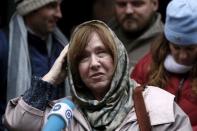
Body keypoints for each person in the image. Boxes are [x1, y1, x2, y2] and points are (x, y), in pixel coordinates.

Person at [3, 20, 192, 131]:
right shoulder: (63, 112)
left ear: (118, 57)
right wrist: (51, 77)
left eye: (101, 52)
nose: (94, 64)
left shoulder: (157, 104)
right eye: (83, 58)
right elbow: (18, 124)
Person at [0, 0, 69, 130]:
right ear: (31, 8)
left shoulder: (61, 46)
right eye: (52, 6)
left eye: (60, 6)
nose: (59, 14)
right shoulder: (4, 45)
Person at [131, 0, 197, 130]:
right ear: (167, 42)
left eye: (190, 49)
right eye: (176, 47)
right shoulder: (147, 67)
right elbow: (130, 110)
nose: (183, 56)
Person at [108, 0, 163, 70]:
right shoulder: (102, 37)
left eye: (137, 4)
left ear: (154, 4)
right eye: (122, 4)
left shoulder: (167, 43)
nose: (128, 11)